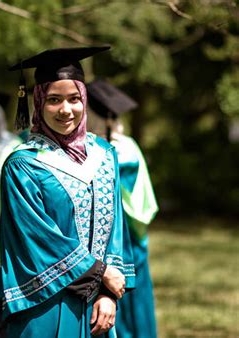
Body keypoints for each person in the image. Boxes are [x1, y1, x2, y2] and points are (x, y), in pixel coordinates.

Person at [0, 47, 136, 338]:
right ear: (39, 102)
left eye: (74, 99)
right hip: (46, 304)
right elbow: (37, 238)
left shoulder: (105, 156)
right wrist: (100, 274)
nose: (66, 110)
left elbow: (116, 230)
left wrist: (109, 294)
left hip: (99, 306)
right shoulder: (23, 166)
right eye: (54, 100)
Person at [86, 79, 159, 338]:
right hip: (131, 240)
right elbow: (145, 207)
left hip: (120, 241)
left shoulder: (113, 150)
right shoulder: (129, 144)